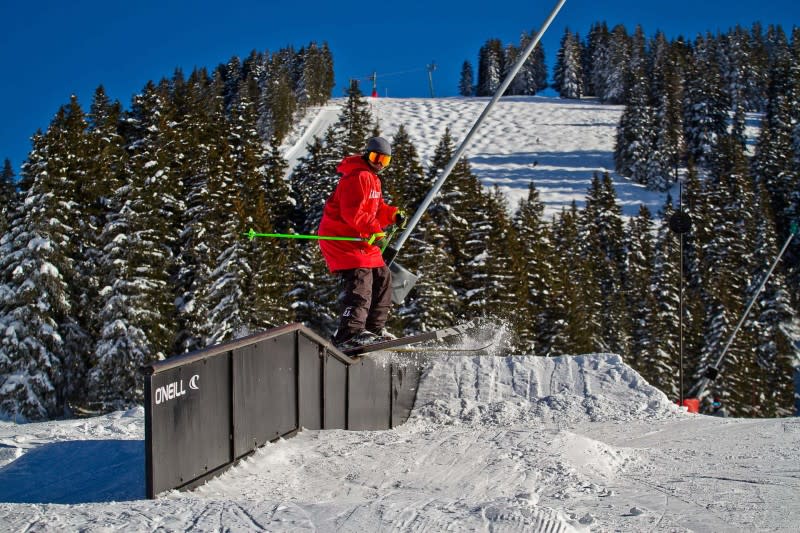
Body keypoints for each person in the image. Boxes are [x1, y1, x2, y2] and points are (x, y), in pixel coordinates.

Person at [318, 136, 406, 348]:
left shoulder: (373, 179)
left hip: (361, 241)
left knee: (383, 278)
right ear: (366, 154)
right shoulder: (356, 177)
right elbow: (353, 213)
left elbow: (376, 209)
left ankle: (373, 329)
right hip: (342, 240)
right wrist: (377, 231)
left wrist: (392, 215)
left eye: (384, 161)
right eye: (376, 157)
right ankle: (349, 333)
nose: (379, 164)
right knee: (361, 281)